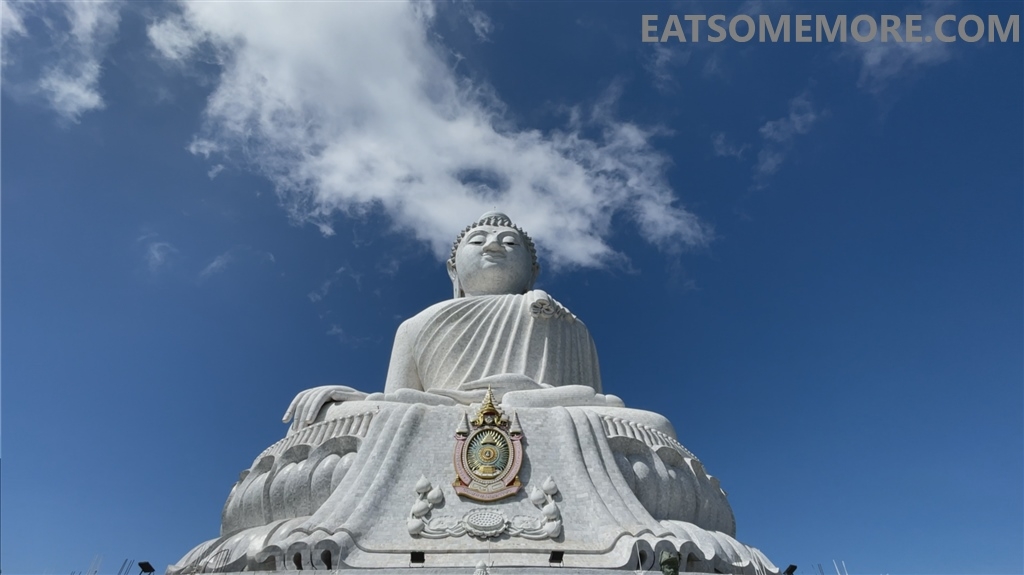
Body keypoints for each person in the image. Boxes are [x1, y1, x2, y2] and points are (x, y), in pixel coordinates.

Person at [285, 212, 606, 431]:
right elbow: (395, 402)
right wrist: (359, 400)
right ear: (453, 270)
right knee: (333, 417)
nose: (493, 245)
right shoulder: (415, 325)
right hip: (431, 411)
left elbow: (595, 404)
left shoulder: (561, 320)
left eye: (510, 242)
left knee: (634, 421)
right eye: (477, 241)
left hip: (536, 412)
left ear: (533, 272)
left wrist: (527, 394)